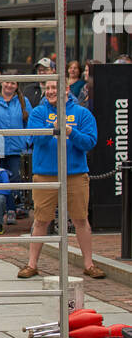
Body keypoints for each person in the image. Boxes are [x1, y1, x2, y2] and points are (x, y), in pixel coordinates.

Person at [18, 76, 104, 280]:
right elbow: (33, 138)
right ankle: (32, 265)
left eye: (54, 87)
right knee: (41, 220)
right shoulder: (38, 112)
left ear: (66, 89)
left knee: (81, 219)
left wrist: (71, 132)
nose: (50, 91)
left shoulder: (82, 113)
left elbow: (90, 142)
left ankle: (89, 264)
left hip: (75, 174)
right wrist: (54, 129)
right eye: (47, 87)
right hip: (45, 174)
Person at [0, 79, 32, 215]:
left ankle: (12, 209)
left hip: (16, 146)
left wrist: (26, 140)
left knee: (15, 179)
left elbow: (30, 122)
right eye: (7, 82)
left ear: (17, 86)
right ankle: (1, 209)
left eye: (13, 83)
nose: (9, 85)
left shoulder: (23, 101)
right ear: (1, 83)